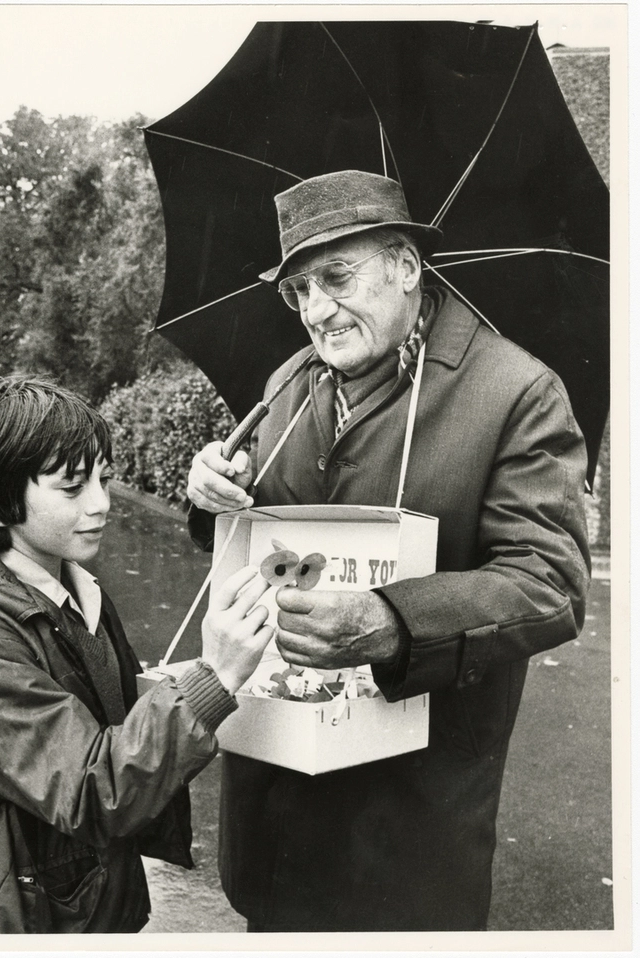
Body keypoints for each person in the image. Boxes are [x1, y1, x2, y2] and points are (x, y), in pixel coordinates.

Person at [186, 170, 591, 932]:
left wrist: (393, 621)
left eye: (336, 278)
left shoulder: (516, 392)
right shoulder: (287, 383)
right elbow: (251, 545)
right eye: (298, 290)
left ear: (407, 266)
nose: (316, 311)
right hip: (273, 820)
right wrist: (212, 492)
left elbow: (551, 584)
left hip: (408, 835)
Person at [0, 376, 274, 934]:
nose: (102, 504)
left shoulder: (77, 590)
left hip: (82, 897)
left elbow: (115, 726)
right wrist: (213, 675)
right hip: (19, 916)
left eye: (104, 479)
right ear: (0, 499)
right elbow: (92, 789)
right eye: (72, 487)